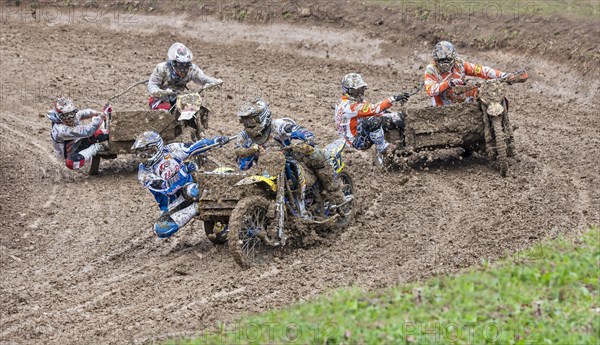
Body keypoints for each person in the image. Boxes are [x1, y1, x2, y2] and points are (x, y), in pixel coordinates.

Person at [234, 97, 344, 208]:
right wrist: (249, 152)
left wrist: (307, 136)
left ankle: (334, 191)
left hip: (290, 157)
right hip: (265, 166)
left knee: (316, 153)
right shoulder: (243, 136)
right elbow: (240, 156)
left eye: (251, 119)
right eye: (245, 120)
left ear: (262, 116)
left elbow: (294, 129)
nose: (248, 123)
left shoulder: (277, 126)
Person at [131, 131, 230, 238]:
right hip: (174, 203)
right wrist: (184, 170)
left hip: (190, 186)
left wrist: (215, 141)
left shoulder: (171, 150)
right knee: (160, 229)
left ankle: (220, 200)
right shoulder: (144, 175)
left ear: (157, 147)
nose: (144, 157)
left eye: (147, 152)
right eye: (140, 154)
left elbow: (193, 147)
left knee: (192, 191)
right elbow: (166, 188)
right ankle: (198, 207)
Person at [334, 73, 409, 159]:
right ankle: (383, 149)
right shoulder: (349, 106)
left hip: (360, 131)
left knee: (395, 117)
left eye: (361, 89)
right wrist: (393, 98)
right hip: (355, 141)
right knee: (373, 122)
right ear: (348, 91)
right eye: (356, 91)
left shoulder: (349, 102)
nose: (359, 93)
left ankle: (405, 145)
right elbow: (374, 109)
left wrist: (390, 116)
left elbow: (375, 112)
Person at [424, 40, 514, 106]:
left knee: (481, 92)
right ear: (435, 60)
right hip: (442, 104)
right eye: (441, 61)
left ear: (453, 58)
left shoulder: (459, 64)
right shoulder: (431, 69)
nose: (445, 64)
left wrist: (503, 75)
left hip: (462, 99)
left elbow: (481, 70)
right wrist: (448, 83)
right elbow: (430, 90)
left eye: (448, 60)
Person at [147, 42, 223, 111]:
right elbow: (152, 84)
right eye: (180, 65)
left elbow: (204, 79)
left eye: (186, 65)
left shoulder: (192, 70)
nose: (183, 69)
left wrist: (215, 82)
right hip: (161, 98)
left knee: (194, 108)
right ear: (174, 63)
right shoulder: (162, 68)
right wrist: (159, 92)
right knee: (164, 112)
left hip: (178, 96)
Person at [47, 97, 111, 170]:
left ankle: (95, 145)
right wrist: (101, 116)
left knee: (105, 133)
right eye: (65, 116)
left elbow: (82, 113)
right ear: (59, 116)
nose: (70, 118)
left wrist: (96, 113)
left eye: (71, 114)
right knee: (72, 163)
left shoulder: (70, 116)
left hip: (77, 142)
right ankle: (96, 147)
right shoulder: (61, 130)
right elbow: (88, 131)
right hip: (69, 153)